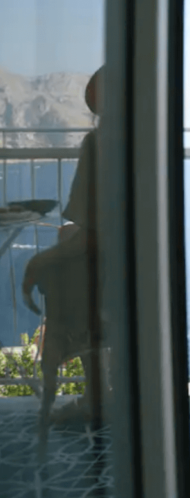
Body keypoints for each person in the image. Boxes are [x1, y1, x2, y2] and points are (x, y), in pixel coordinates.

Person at [22, 66, 104, 424]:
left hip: (107, 277)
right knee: (67, 239)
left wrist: (37, 263)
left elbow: (89, 230)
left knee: (62, 267)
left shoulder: (97, 144)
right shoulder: (147, 140)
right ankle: (97, 392)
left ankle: (91, 393)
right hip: (137, 271)